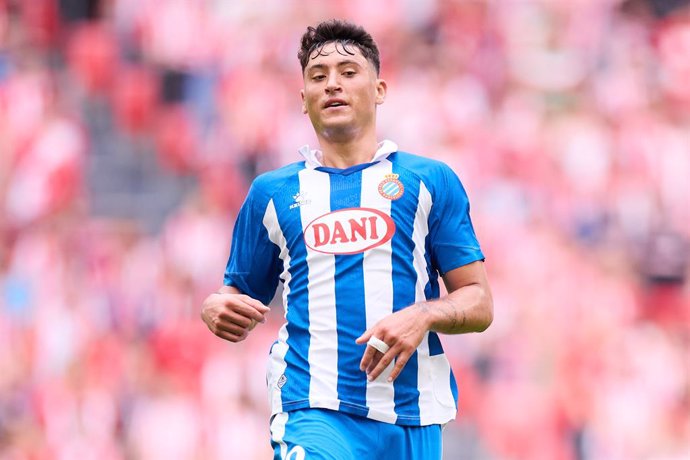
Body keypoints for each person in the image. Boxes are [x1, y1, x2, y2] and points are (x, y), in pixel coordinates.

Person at [200, 19, 493, 460]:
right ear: (304, 99)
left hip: (411, 414)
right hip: (312, 407)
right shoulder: (272, 193)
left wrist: (422, 316)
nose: (333, 84)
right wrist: (214, 306)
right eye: (318, 77)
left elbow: (479, 303)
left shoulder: (429, 181)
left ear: (379, 89)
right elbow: (237, 295)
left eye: (349, 72)